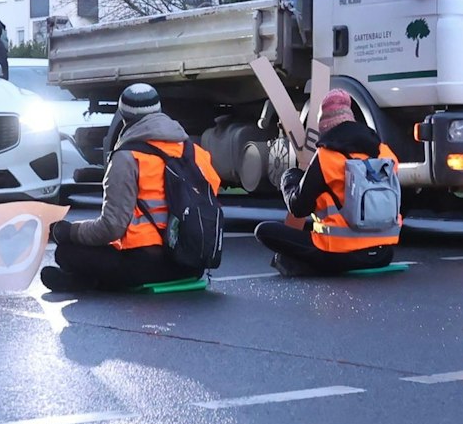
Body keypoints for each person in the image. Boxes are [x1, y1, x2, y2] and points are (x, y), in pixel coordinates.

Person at [43, 83, 221, 293]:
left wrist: (68, 231)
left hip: (148, 263)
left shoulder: (127, 158)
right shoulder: (196, 152)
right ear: (159, 111)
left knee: (66, 253)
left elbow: (111, 228)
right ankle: (92, 281)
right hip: (193, 264)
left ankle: (86, 282)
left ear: (124, 116)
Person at [255, 89, 401, 274]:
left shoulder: (327, 156)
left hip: (339, 254)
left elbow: (299, 207)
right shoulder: (386, 153)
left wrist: (290, 178)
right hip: (383, 254)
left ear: (325, 127)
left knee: (264, 230)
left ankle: (304, 265)